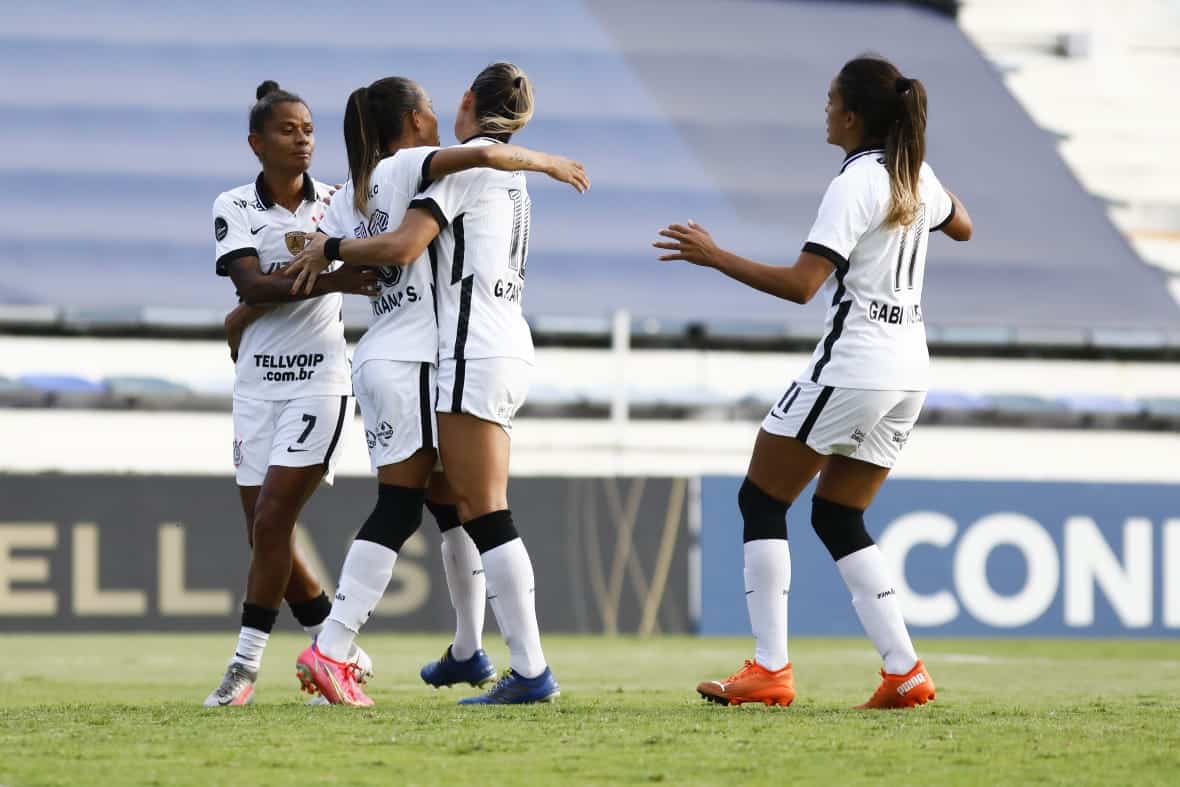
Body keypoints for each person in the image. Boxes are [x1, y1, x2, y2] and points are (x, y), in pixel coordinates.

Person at [653, 55, 972, 710]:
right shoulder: (916, 175)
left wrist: (714, 256)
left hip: (856, 362)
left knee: (761, 500)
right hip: (910, 368)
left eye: (831, 101)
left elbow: (803, 286)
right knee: (836, 513)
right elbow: (961, 225)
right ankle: (905, 669)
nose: (824, 110)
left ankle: (770, 667)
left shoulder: (855, 183)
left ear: (853, 116)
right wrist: (923, 188)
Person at [287, 62, 587, 705]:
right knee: (457, 506)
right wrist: (544, 161)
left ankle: (480, 656)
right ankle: (470, 654)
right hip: (458, 353)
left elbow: (333, 241)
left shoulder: (390, 180)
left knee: (457, 506)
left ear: (465, 103)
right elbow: (397, 240)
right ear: (417, 120)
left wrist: (326, 250)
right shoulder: (456, 169)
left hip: (437, 355)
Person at [203, 80, 381, 707]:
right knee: (264, 533)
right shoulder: (234, 206)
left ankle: (243, 668)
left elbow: (371, 269)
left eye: (308, 128)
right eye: (287, 129)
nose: (303, 138)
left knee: (275, 519)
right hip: (255, 386)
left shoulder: (336, 203)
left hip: (318, 383)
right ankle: (338, 651)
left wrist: (259, 303)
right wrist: (329, 277)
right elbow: (250, 285)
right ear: (257, 142)